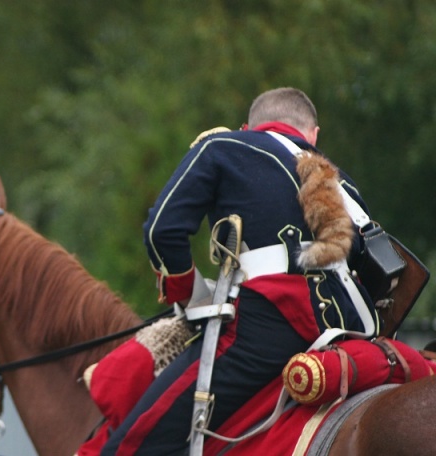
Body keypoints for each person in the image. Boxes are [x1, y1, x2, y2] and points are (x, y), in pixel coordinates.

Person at [100, 87, 381, 455]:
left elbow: (162, 230)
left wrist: (189, 295)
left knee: (132, 445)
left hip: (265, 330)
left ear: (248, 127)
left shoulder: (225, 147)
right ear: (313, 136)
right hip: (350, 331)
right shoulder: (344, 186)